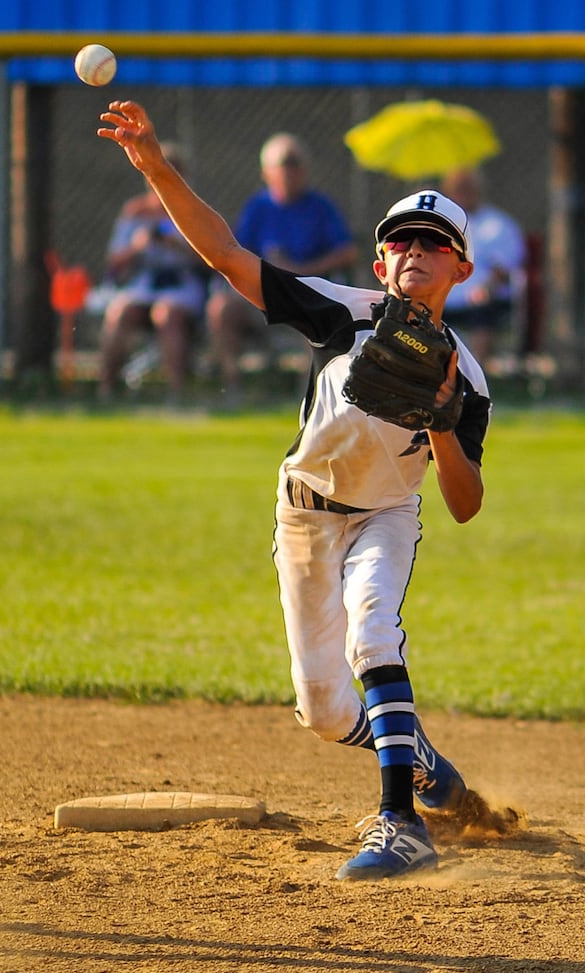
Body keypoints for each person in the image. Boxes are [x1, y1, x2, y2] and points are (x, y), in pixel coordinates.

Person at [97, 100, 488, 880]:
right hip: (304, 513)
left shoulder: (466, 377)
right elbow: (230, 260)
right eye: (401, 241)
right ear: (381, 264)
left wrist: (443, 422)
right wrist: (157, 168)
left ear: (460, 268)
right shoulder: (345, 315)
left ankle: (400, 824)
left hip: (384, 516)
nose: (415, 250)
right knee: (323, 710)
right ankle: (417, 757)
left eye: (435, 244)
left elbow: (466, 500)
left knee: (373, 634)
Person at [205, 132, 358, 401]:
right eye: (283, 165)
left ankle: (310, 396)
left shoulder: (320, 208)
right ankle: (233, 388)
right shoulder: (258, 208)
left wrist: (301, 268)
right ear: (267, 172)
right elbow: (234, 251)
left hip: (305, 297)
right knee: (221, 309)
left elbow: (347, 252)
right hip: (261, 294)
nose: (290, 171)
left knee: (320, 322)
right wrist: (267, 266)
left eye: (295, 164)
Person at [96, 141, 208, 403]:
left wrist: (180, 247)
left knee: (166, 314)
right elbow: (114, 264)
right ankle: (106, 389)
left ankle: (176, 392)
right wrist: (136, 247)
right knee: (120, 311)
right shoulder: (135, 212)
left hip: (180, 285)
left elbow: (214, 261)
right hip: (144, 283)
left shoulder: (193, 211)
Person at [438, 167, 526, 369]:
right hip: (443, 296)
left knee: (483, 311)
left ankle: (474, 373)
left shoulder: (498, 225)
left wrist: (487, 289)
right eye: (458, 189)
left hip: (481, 297)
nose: (463, 194)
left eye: (468, 189)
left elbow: (503, 268)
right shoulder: (441, 226)